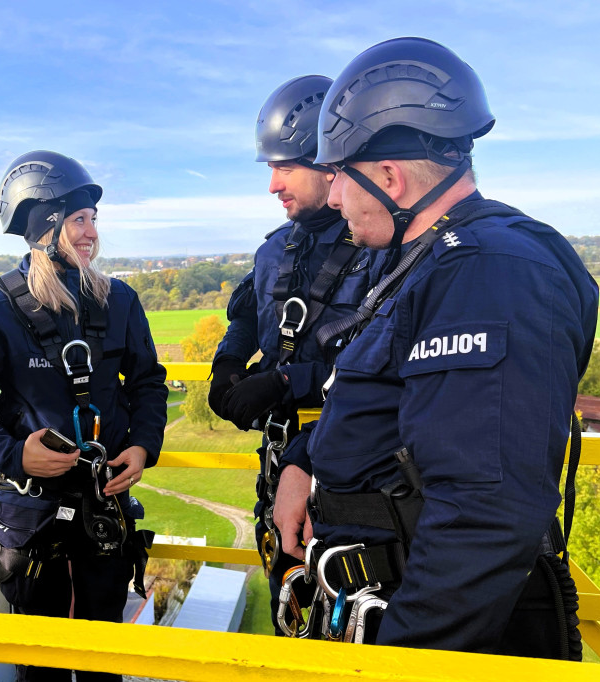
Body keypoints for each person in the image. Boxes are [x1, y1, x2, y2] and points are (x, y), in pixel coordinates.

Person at [273, 37, 598, 657]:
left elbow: (485, 518)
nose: (334, 197)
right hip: (386, 601)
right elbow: (387, 404)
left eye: (339, 177)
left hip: (442, 635)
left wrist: (404, 663)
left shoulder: (490, 272)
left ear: (390, 178)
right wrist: (303, 460)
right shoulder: (422, 264)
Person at [0, 150, 166, 682]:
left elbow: (146, 384)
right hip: (29, 512)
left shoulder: (120, 302)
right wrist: (14, 454)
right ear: (46, 227)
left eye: (93, 220)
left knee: (100, 658)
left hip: (103, 503)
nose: (91, 233)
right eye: (78, 220)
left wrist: (141, 446)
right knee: (38, 661)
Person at [208, 75, 373, 635]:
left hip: (351, 463)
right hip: (278, 461)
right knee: (289, 605)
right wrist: (228, 365)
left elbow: (385, 364)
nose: (272, 185)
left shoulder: (378, 247)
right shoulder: (276, 248)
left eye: (284, 166)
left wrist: (285, 382)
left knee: (349, 625)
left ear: (330, 162)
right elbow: (247, 317)